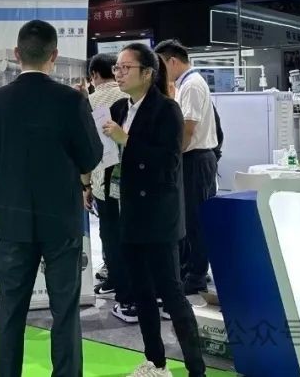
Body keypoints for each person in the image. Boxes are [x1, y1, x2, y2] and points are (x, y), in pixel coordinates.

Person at [0, 20, 102, 377]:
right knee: (65, 311)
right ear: (54, 55)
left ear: (17, 54)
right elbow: (90, 155)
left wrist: (10, 184)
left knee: (10, 310)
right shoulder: (71, 100)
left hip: (13, 217)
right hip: (62, 218)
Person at [102, 43, 206, 377]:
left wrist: (126, 140)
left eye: (125, 68)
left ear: (147, 73)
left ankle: (196, 368)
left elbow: (167, 161)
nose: (119, 74)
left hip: (159, 214)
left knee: (171, 293)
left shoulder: (167, 110)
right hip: (128, 209)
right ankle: (155, 363)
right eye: (116, 68)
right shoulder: (119, 108)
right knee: (141, 293)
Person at [155, 40, 217, 295]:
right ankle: (192, 269)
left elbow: (188, 130)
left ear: (172, 61)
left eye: (161, 64)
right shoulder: (186, 84)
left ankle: (196, 275)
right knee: (189, 217)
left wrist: (171, 157)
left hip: (195, 159)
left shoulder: (191, 85)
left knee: (195, 220)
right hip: (195, 159)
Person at [84, 53, 127, 296]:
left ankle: (115, 279)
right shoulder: (130, 96)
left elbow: (87, 147)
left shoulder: (90, 101)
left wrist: (86, 185)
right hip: (133, 175)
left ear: (94, 75)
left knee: (109, 230)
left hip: (103, 176)